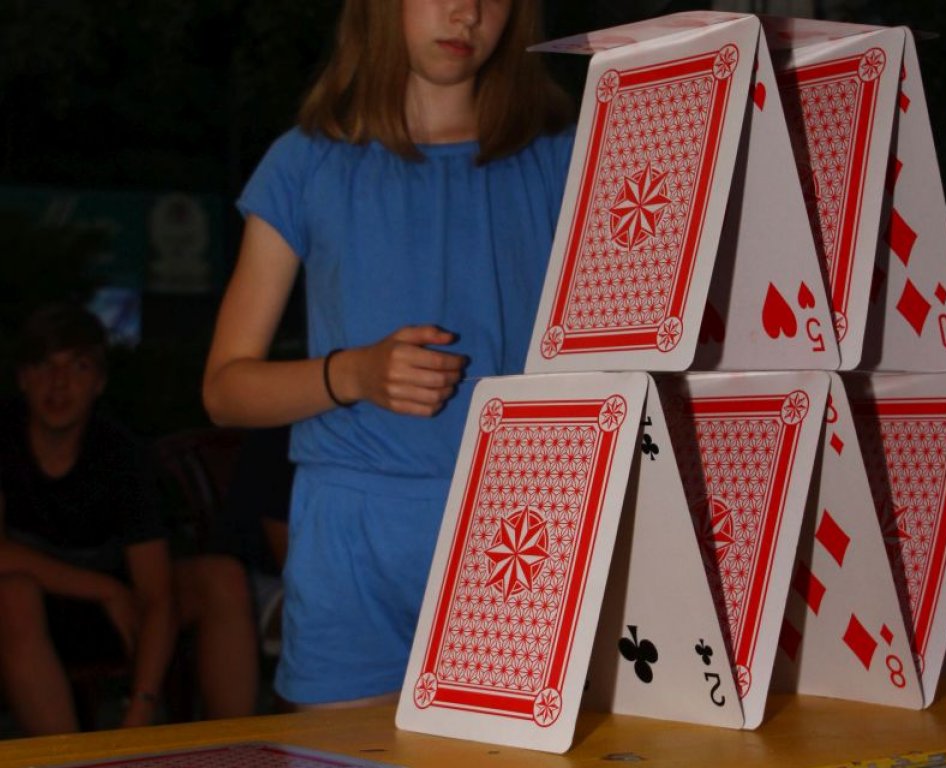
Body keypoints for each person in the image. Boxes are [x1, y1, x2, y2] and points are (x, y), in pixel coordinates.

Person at [202, 0, 574, 709]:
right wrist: (353, 374)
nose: (466, 13)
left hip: (519, 533)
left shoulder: (569, 159)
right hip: (350, 546)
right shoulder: (305, 161)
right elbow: (224, 389)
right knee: (343, 755)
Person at [0, 303, 258, 736]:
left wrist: (140, 710)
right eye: (44, 366)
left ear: (99, 382)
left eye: (78, 367)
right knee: (13, 595)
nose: (59, 383)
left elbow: (156, 595)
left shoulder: (121, 454)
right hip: (34, 612)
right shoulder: (5, 435)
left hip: (120, 615)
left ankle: (233, 747)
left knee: (221, 577)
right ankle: (69, 760)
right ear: (23, 377)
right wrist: (103, 589)